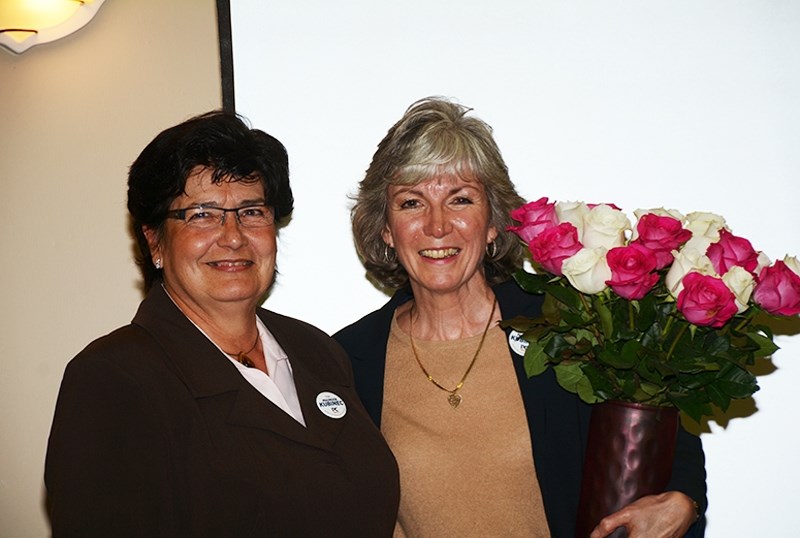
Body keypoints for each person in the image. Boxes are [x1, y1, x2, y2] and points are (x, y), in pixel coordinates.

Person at [333, 97, 706, 537]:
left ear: (492, 223)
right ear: (385, 228)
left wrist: (684, 500)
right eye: (412, 203)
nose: (437, 226)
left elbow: (661, 439)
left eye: (461, 200)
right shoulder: (348, 360)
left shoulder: (564, 324)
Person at [45, 111, 399, 537]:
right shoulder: (112, 379)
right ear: (154, 240)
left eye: (251, 211)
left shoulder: (317, 351)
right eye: (201, 214)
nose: (233, 236)